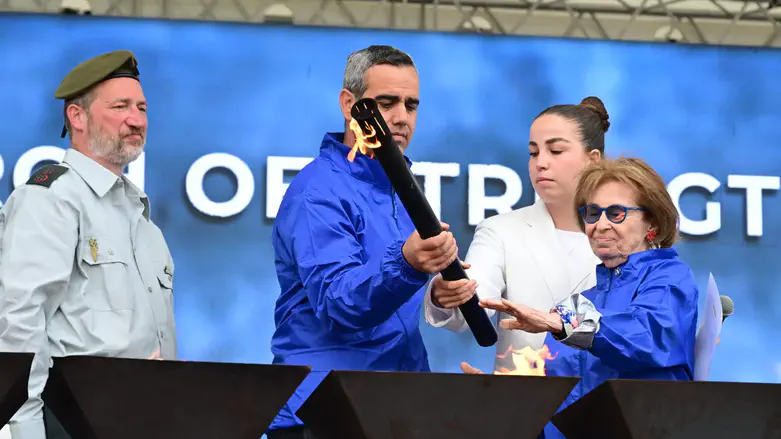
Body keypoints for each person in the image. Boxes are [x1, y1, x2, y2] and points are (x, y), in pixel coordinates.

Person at [267, 45, 458, 439]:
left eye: (411, 105)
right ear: (348, 104)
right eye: (386, 103)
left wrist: (438, 292)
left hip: (394, 405)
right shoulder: (317, 190)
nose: (402, 117)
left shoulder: (400, 187)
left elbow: (392, 302)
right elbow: (339, 304)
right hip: (325, 411)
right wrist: (407, 264)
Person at [0, 50, 177, 439]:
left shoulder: (143, 220)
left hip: (146, 420)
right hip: (70, 423)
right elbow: (19, 323)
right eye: (120, 106)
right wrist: (26, 431)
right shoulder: (51, 198)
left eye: (142, 108)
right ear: (77, 117)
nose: (136, 119)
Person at [479, 157, 698, 439]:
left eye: (616, 213)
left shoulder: (671, 277)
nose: (600, 225)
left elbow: (647, 337)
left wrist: (566, 324)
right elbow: (554, 405)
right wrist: (504, 400)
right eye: (592, 213)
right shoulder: (577, 304)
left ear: (652, 223)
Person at [424, 97, 608, 373]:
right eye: (534, 152)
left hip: (606, 395)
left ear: (593, 160)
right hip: (525, 396)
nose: (541, 163)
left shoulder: (630, 236)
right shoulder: (500, 231)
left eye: (556, 150)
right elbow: (474, 304)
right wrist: (447, 294)